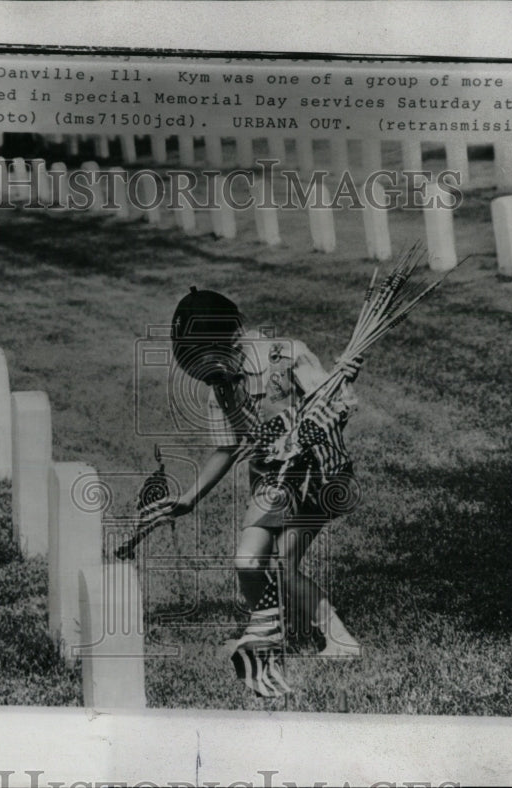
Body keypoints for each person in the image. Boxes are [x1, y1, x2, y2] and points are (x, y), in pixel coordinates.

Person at [143, 287, 362, 696]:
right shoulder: (222, 385)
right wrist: (189, 498)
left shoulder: (285, 354)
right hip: (271, 484)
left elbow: (337, 409)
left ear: (232, 339)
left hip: (316, 476)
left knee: (281, 562)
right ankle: (265, 633)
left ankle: (341, 641)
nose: (213, 379)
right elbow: (227, 447)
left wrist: (318, 416)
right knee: (248, 561)